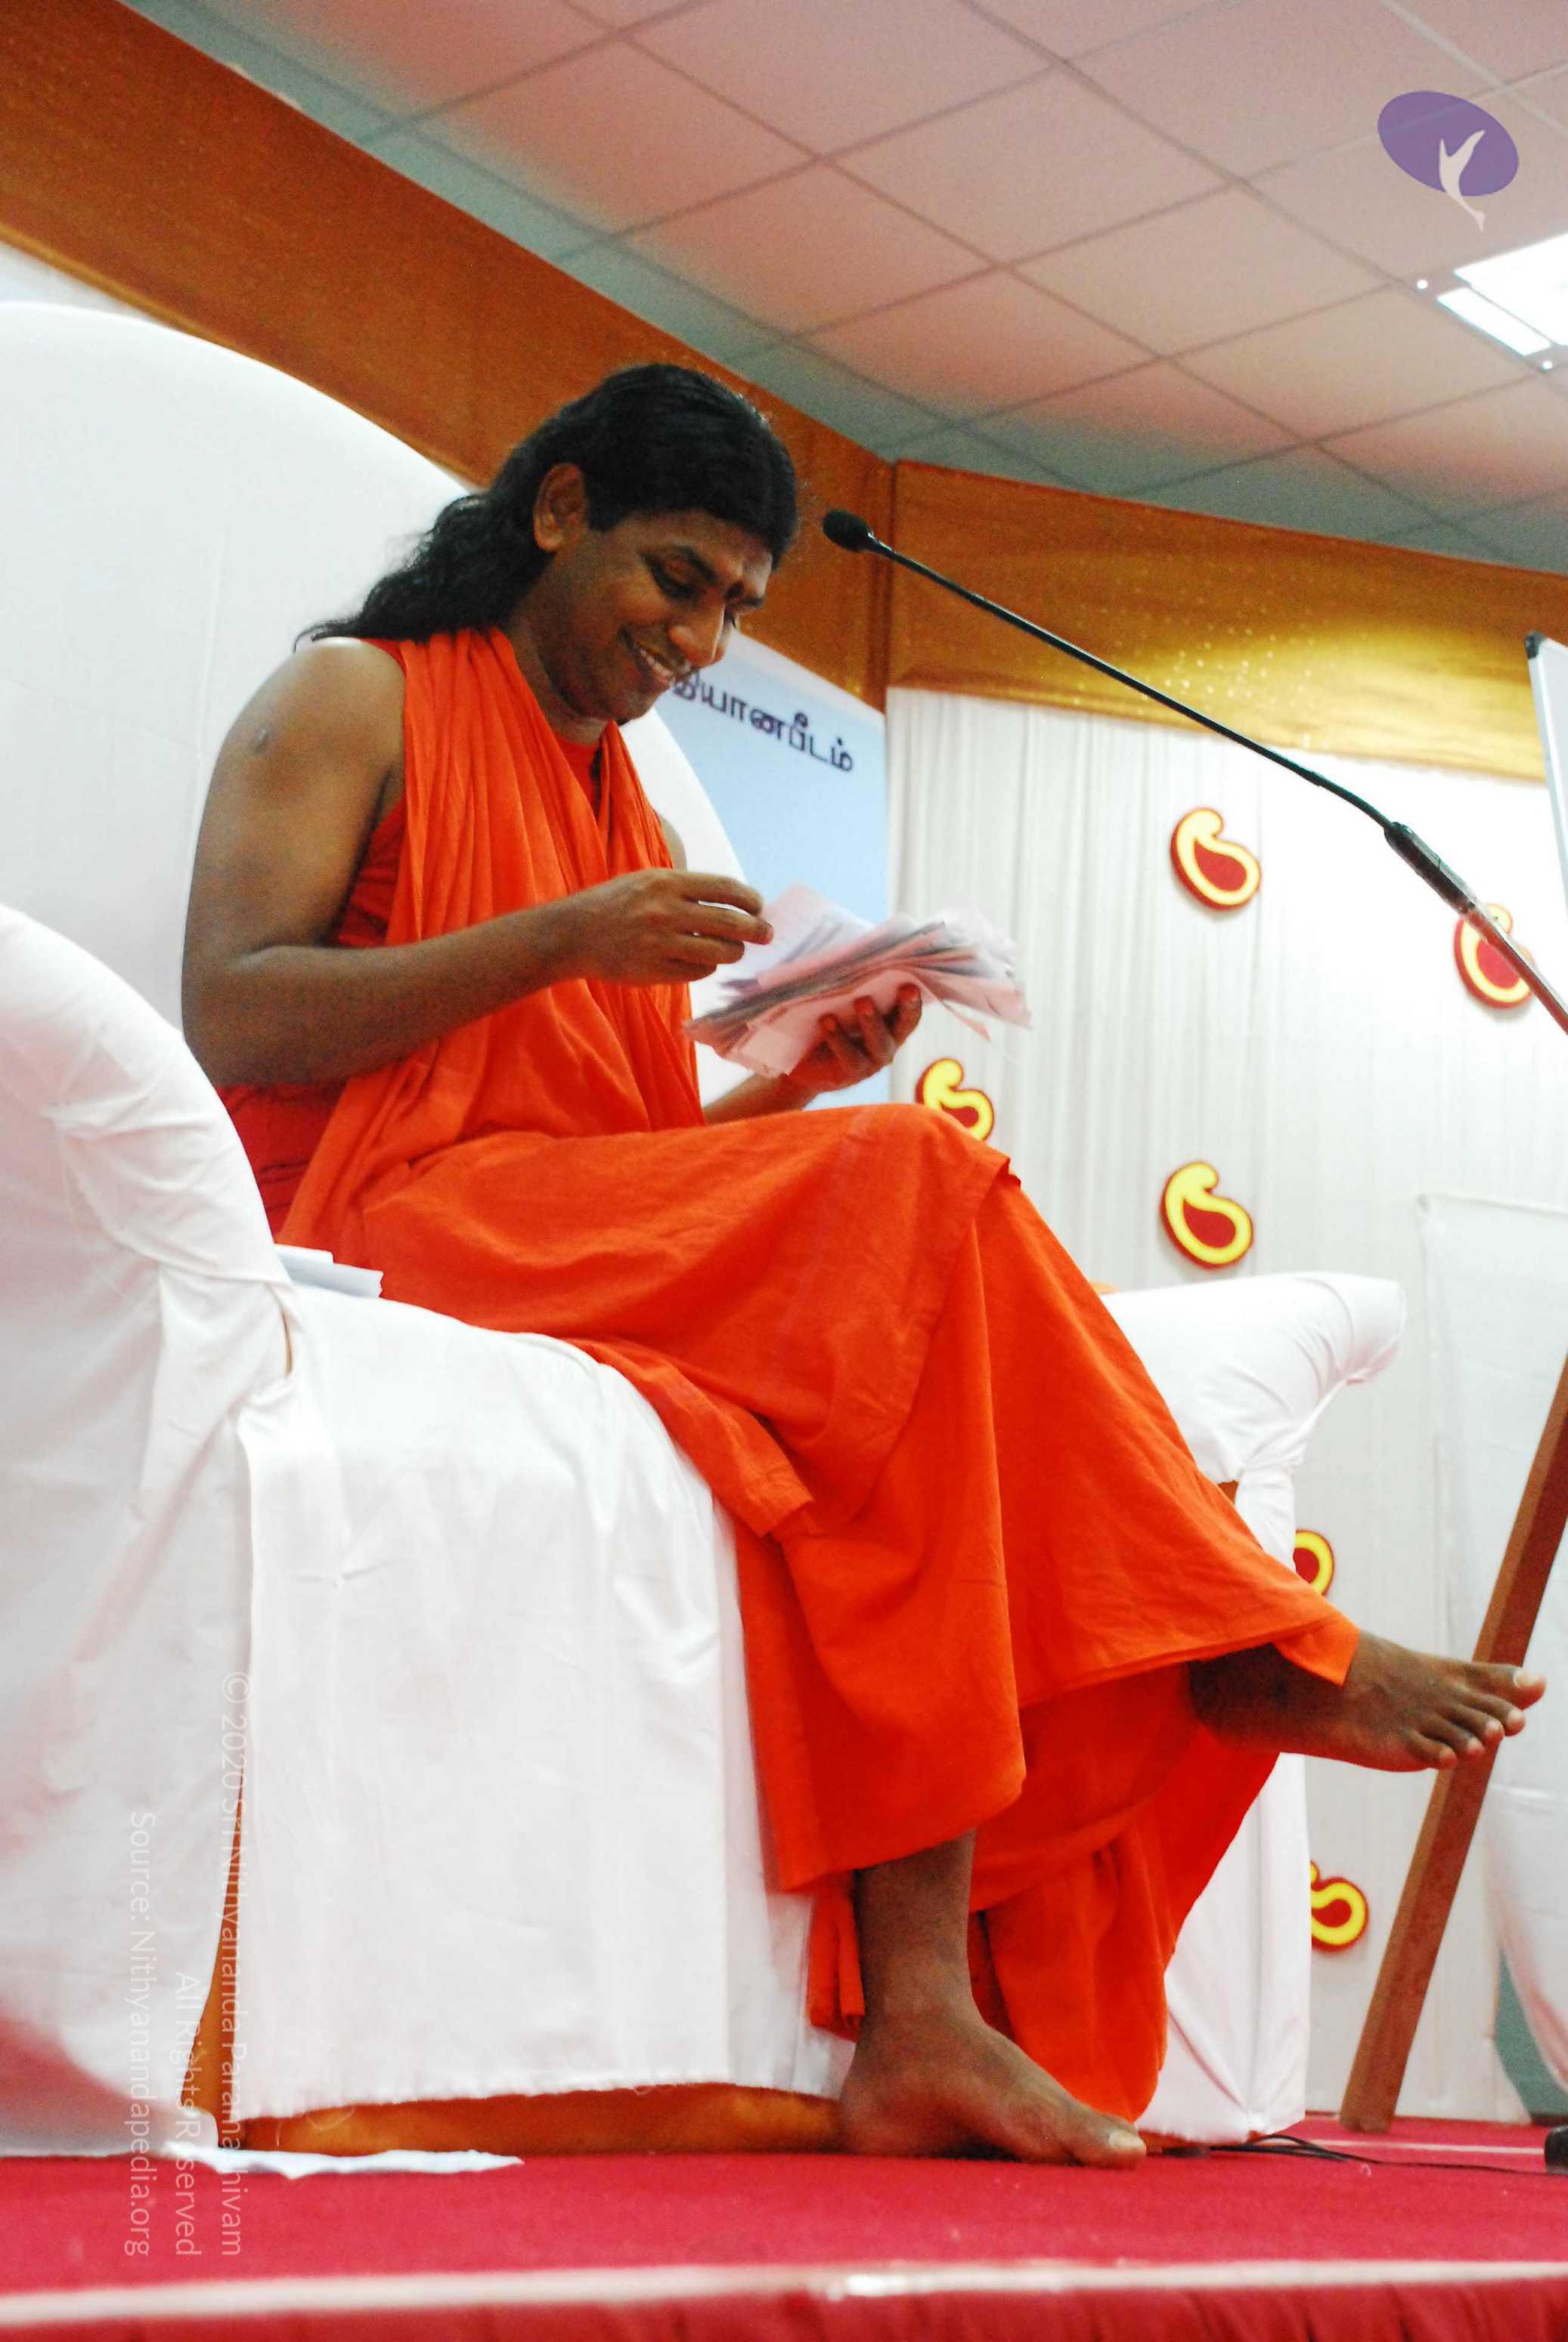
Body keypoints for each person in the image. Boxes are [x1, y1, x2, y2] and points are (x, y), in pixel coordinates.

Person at [183, 364, 1542, 2166]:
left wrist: (796, 1083)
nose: (697, 640)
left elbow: (618, 1153)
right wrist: (563, 940)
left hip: (542, 1211)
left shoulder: (619, 804)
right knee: (915, 1185)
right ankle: (1225, 1638)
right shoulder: (358, 694)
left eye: (734, 609)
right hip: (375, 1215)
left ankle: (923, 2008)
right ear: (559, 508)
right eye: (676, 579)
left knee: (913, 1229)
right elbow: (235, 1009)